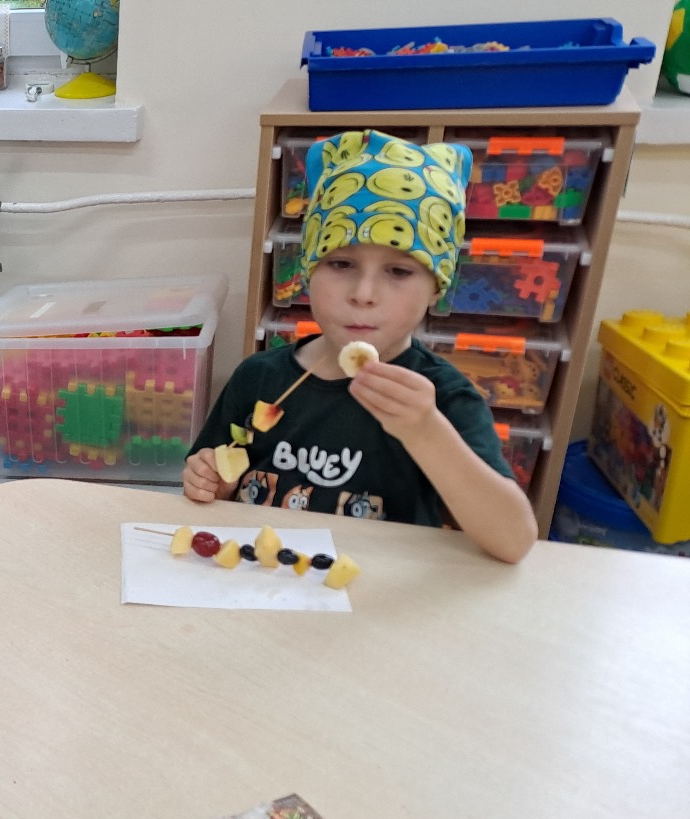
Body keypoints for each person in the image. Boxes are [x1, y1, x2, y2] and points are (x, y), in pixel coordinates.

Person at [183, 130, 536, 563]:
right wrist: (212, 481)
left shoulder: (441, 398)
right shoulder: (258, 377)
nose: (364, 294)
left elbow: (513, 541)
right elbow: (211, 476)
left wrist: (427, 432)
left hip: (376, 591)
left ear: (436, 288)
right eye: (341, 263)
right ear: (309, 270)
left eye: (399, 271)